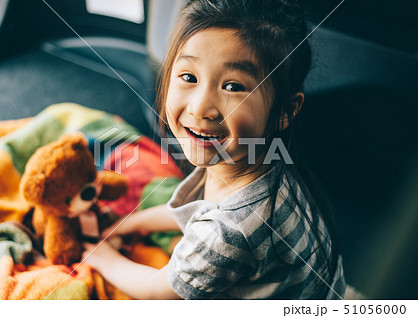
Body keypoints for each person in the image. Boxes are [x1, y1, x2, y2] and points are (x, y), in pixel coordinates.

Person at [82, 0, 346, 299]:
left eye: (233, 87)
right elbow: (200, 210)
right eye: (189, 77)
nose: (201, 108)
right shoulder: (259, 160)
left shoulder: (230, 231)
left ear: (285, 110)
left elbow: (161, 292)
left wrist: (101, 257)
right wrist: (129, 224)